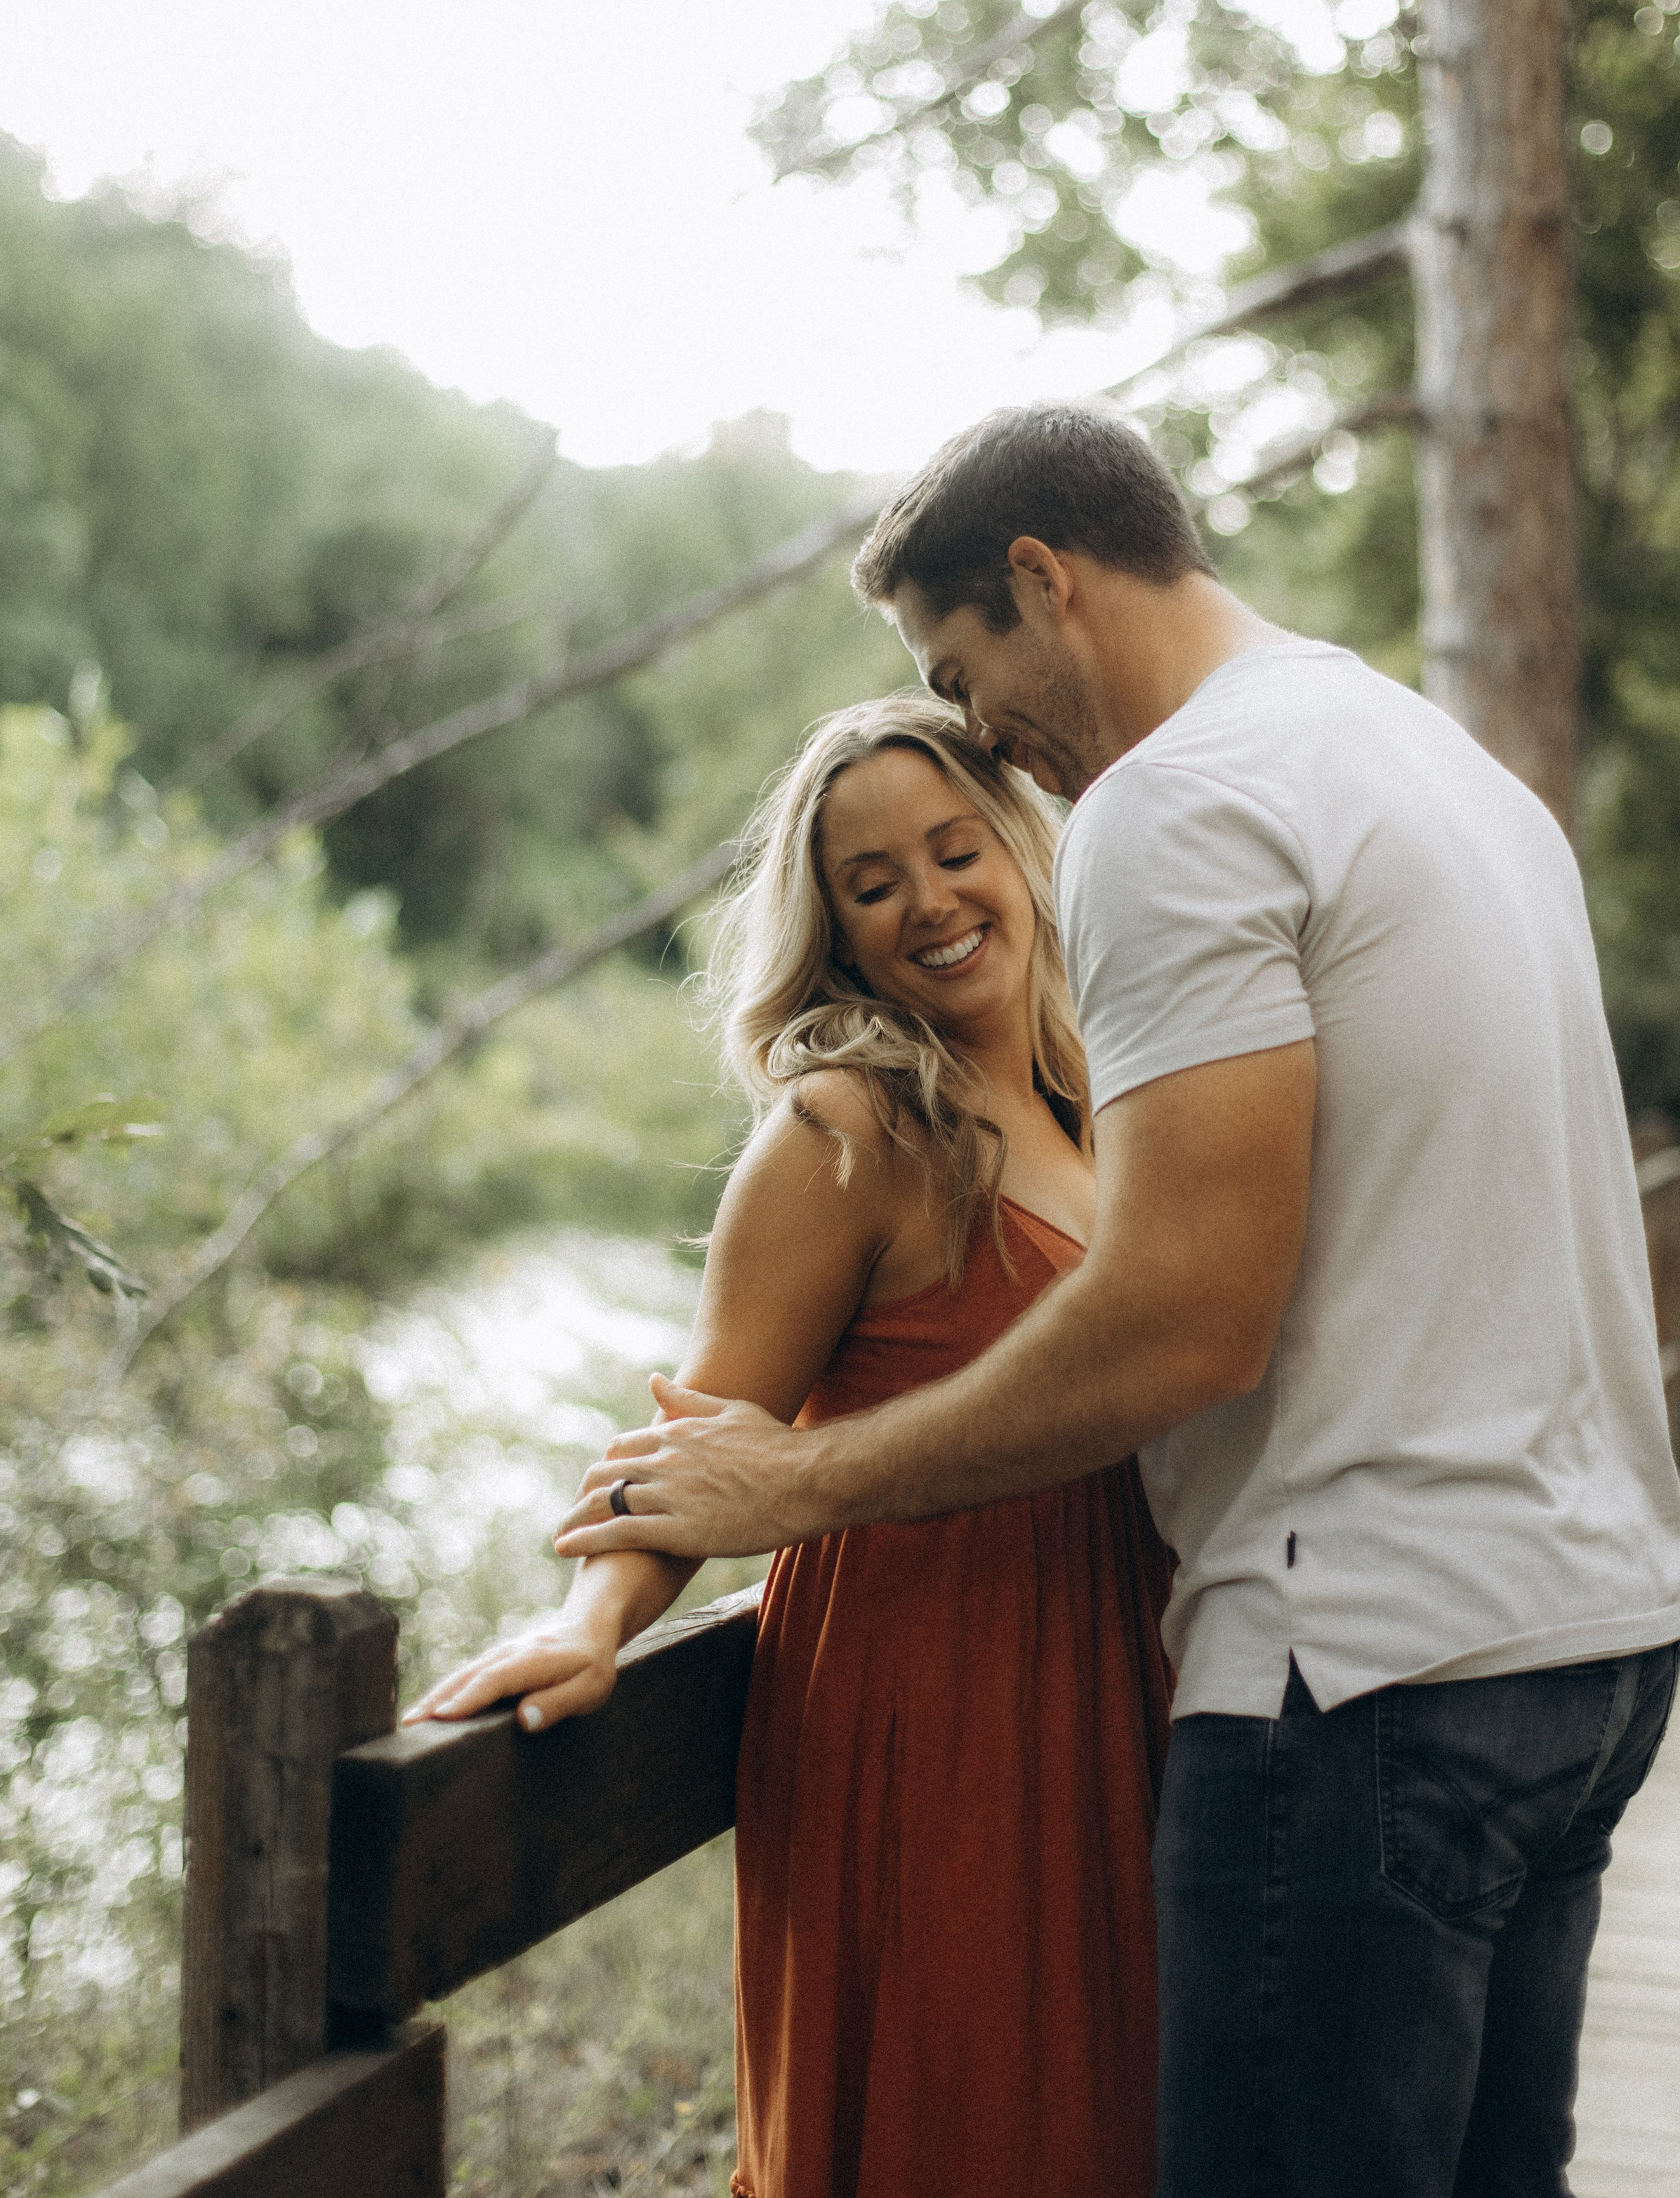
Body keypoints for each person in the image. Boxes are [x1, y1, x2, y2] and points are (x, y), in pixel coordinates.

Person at [560, 405, 1680, 2198]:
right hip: (1586, 1641)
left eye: (963, 668)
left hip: (1363, 1677)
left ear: (1042, 580)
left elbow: (1184, 1322)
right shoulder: (1441, 766)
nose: (985, 731)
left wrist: (790, 1491)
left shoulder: (1177, 801)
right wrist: (617, 1596)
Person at [405, 688, 1173, 2198]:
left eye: (954, 852)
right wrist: (592, 1621)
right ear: (828, 927)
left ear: (1021, 849)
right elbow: (696, 1440)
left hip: (1107, 1680)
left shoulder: (1093, 1103)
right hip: (933, 1709)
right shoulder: (847, 1129)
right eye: (870, 884)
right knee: (955, 2127)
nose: (929, 905)